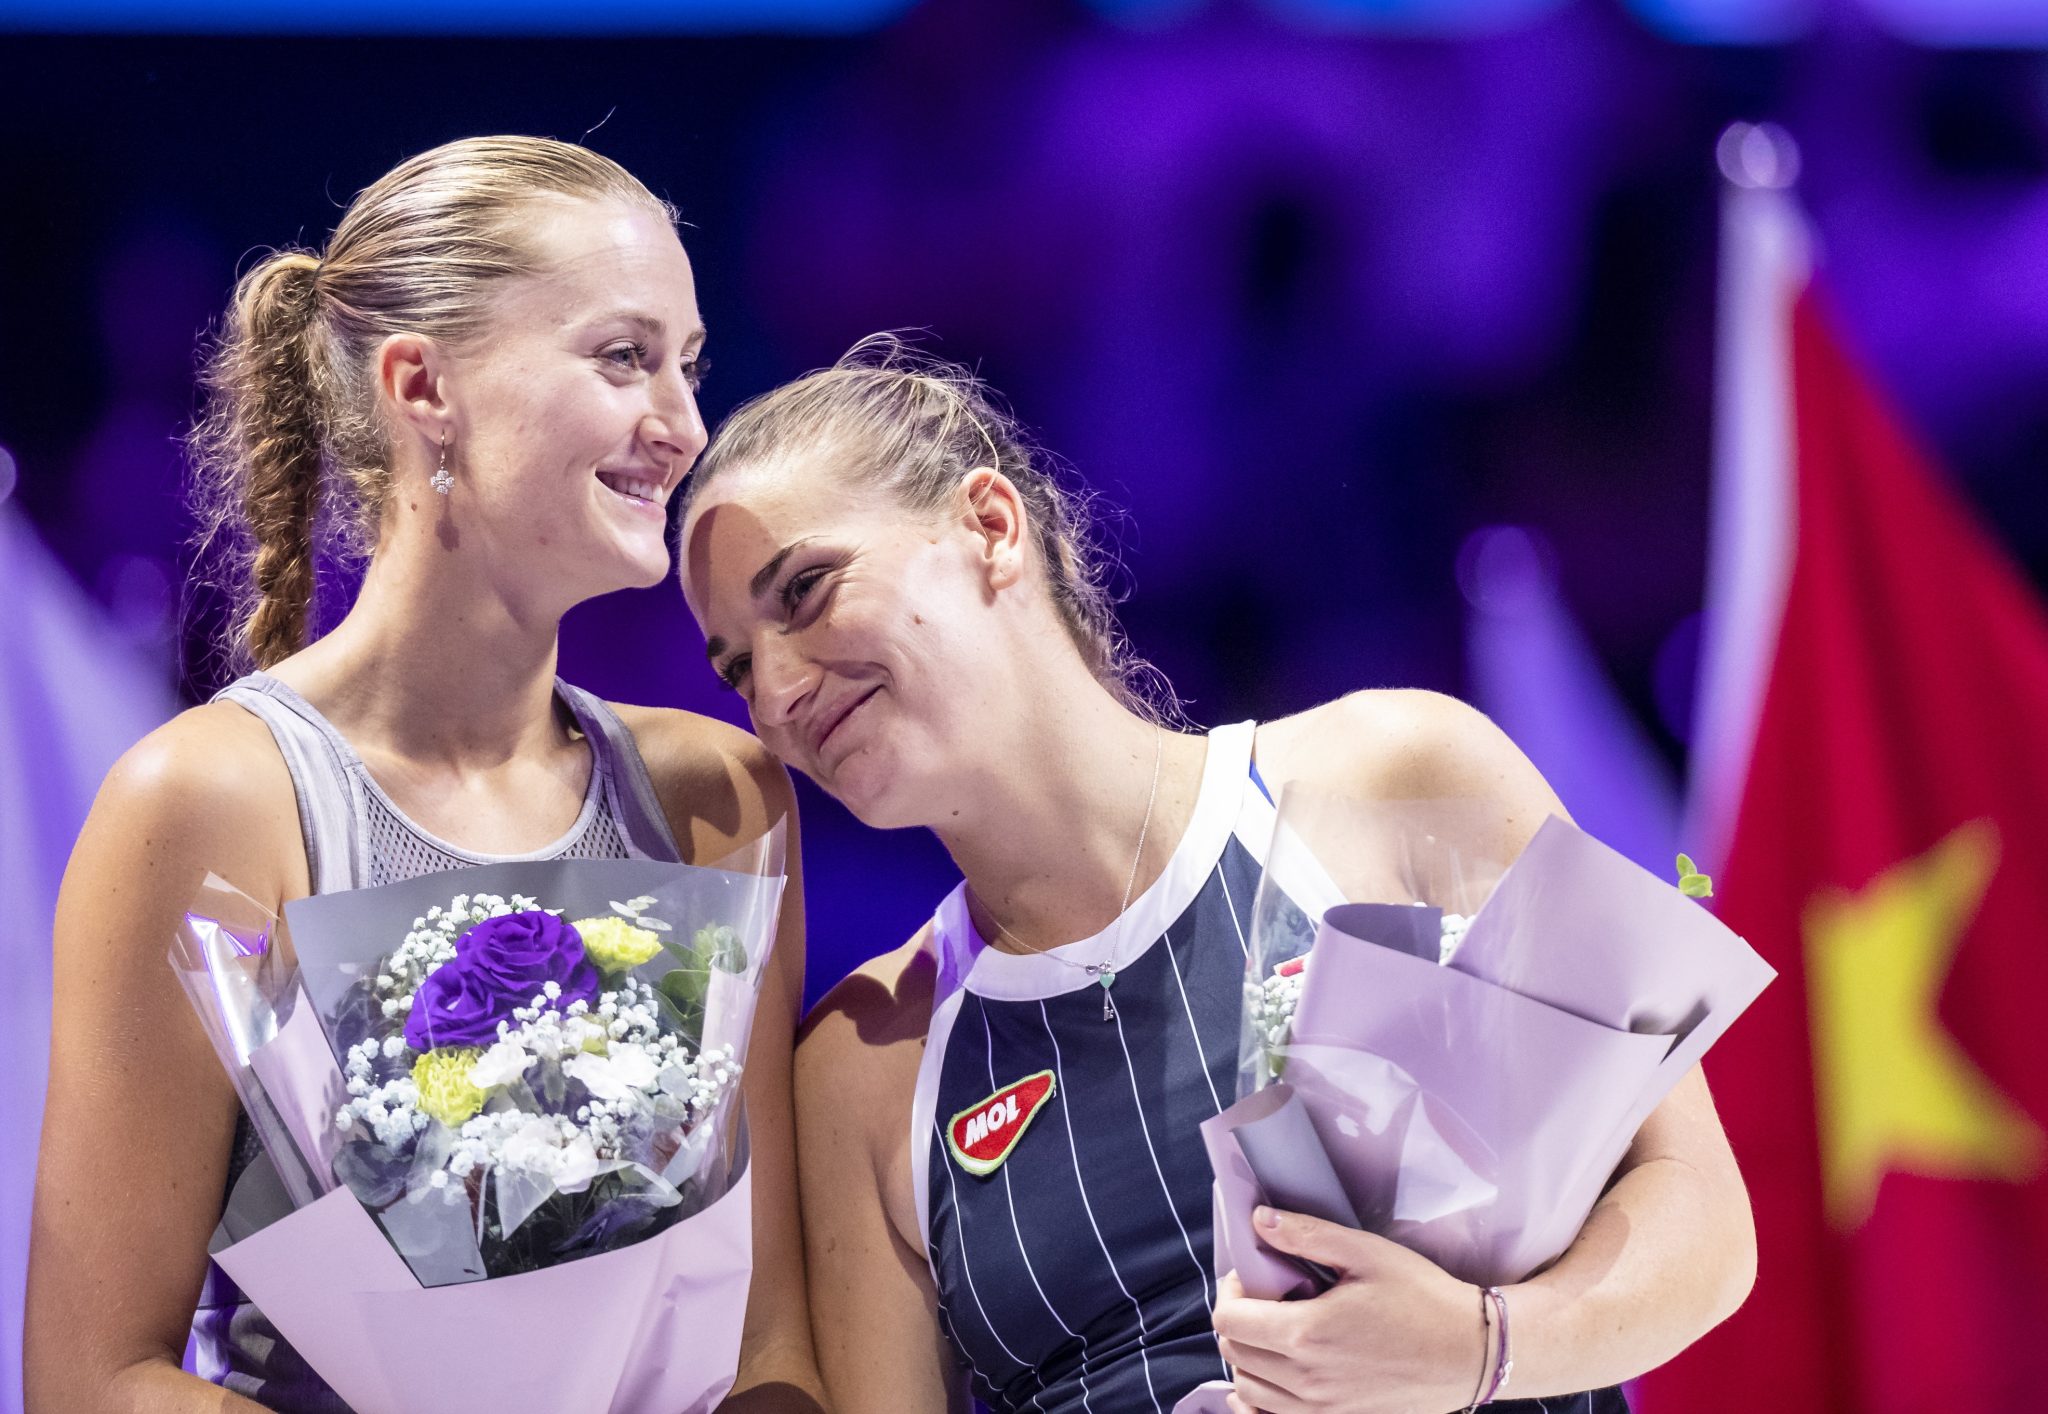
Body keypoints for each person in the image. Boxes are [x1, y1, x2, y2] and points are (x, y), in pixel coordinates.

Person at [677, 338, 1758, 1414]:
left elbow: (1700, 1216)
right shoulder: (862, 1065)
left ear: (991, 527)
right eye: (736, 668)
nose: (776, 692)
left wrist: (1477, 1347)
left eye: (806, 591)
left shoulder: (1400, 777)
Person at [25, 137, 825, 1413]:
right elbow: (93, 1377)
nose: (682, 428)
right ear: (422, 386)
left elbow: (774, 1343)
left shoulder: (717, 797)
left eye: (690, 364)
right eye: (624, 357)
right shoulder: (204, 803)